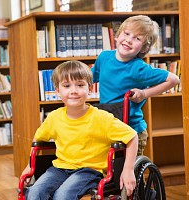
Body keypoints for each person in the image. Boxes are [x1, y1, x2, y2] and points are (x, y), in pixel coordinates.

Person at [21, 60, 138, 200]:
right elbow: (38, 139)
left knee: (62, 196)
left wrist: (128, 169)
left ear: (90, 88)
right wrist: (29, 166)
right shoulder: (54, 117)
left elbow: (132, 136)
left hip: (90, 171)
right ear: (57, 91)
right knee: (34, 193)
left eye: (80, 85)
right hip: (60, 168)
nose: (73, 91)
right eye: (66, 86)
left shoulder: (102, 118)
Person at [91, 15, 180, 156]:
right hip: (108, 126)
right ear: (118, 34)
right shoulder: (104, 57)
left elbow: (173, 80)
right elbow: (89, 79)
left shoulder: (139, 69)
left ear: (144, 48)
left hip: (132, 130)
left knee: (128, 173)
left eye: (137, 38)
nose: (128, 40)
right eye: (126, 34)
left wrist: (144, 94)